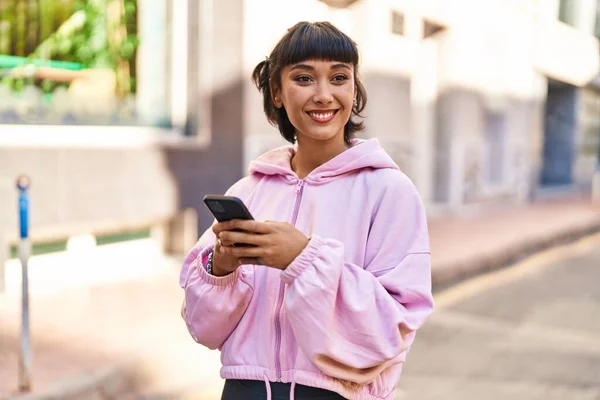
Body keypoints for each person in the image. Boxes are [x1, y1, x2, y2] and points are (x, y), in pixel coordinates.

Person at [179, 21, 434, 400]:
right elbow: (204, 328)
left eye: (338, 77)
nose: (323, 95)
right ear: (277, 93)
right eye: (303, 78)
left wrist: (303, 258)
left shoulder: (389, 191)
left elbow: (390, 331)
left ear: (353, 88)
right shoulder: (248, 191)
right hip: (243, 391)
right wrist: (223, 269)